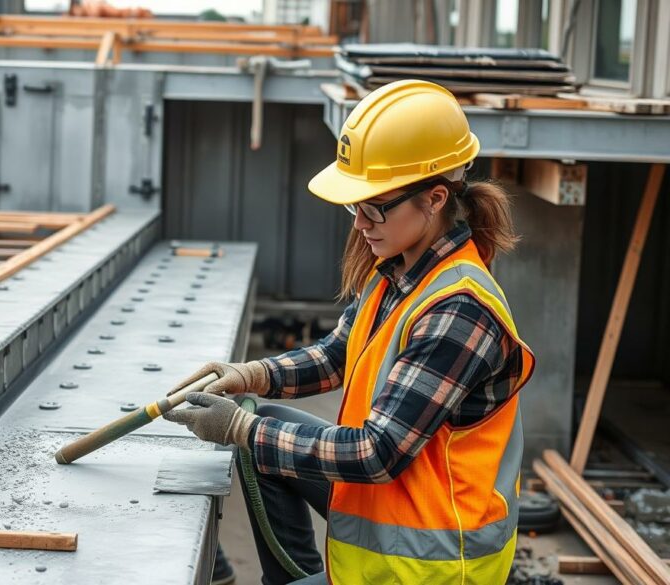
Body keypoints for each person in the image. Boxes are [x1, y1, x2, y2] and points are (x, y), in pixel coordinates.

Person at [164, 79, 536, 585]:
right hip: (401, 512)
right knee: (264, 422)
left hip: (431, 564)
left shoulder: (458, 311)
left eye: (373, 207)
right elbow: (340, 355)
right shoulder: (403, 271)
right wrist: (248, 375)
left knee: (256, 431)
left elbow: (374, 454)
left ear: (434, 198)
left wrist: (238, 428)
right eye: (354, 206)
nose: (360, 223)